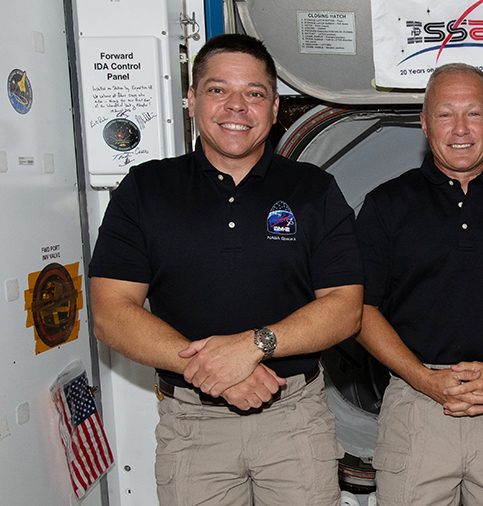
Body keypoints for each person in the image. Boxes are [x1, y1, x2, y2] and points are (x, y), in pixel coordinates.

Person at [89, 34, 363, 506]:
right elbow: (110, 312)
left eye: (254, 93)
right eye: (218, 90)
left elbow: (344, 309)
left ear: (274, 108)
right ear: (192, 99)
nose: (237, 106)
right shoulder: (146, 189)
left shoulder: (315, 190)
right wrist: (215, 368)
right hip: (193, 426)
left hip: (294, 420)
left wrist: (253, 346)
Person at [354, 63, 483, 506]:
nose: (460, 128)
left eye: (474, 113)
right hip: (415, 406)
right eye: (445, 114)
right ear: (424, 123)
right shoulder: (386, 205)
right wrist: (424, 379)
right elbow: (359, 312)